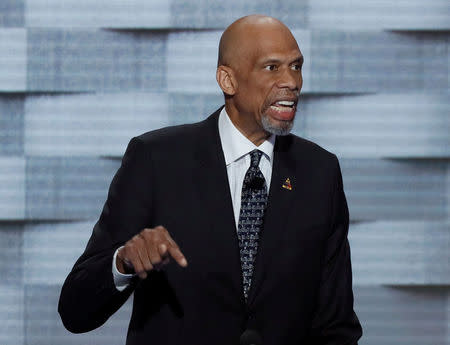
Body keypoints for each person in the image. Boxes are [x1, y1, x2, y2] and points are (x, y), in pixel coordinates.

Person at [58, 15, 362, 345]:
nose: (292, 81)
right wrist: (123, 261)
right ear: (227, 80)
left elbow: (335, 325)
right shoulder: (156, 160)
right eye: (272, 67)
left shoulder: (319, 172)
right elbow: (76, 309)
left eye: (297, 66)